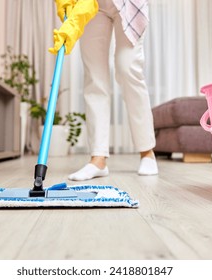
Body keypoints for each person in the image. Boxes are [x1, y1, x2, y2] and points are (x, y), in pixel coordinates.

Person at [49, 0, 158, 181]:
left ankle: (147, 152)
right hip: (90, 4)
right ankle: (98, 159)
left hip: (128, 4)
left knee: (128, 68)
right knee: (94, 76)